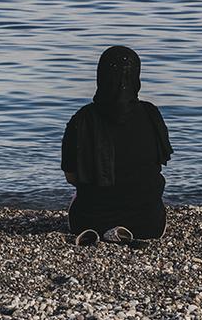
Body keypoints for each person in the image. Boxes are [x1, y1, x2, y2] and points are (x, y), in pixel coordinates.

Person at [61, 45, 172, 242]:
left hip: (88, 221)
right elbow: (158, 164)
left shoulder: (82, 119)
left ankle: (101, 231)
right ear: (136, 77)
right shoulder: (151, 114)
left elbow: (71, 177)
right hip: (148, 223)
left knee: (78, 199)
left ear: (100, 77)